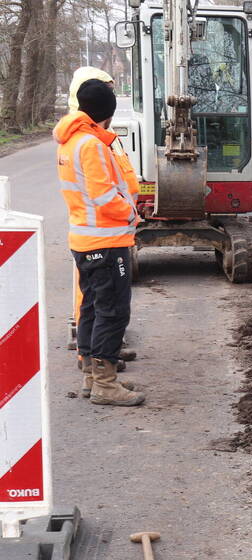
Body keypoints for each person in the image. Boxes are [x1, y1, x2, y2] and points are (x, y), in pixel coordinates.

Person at [54, 79, 145, 406]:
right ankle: (106, 385)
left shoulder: (70, 142)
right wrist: (130, 214)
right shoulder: (90, 145)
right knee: (113, 312)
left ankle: (93, 379)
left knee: (92, 309)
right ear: (107, 112)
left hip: (86, 239)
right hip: (106, 241)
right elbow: (104, 195)